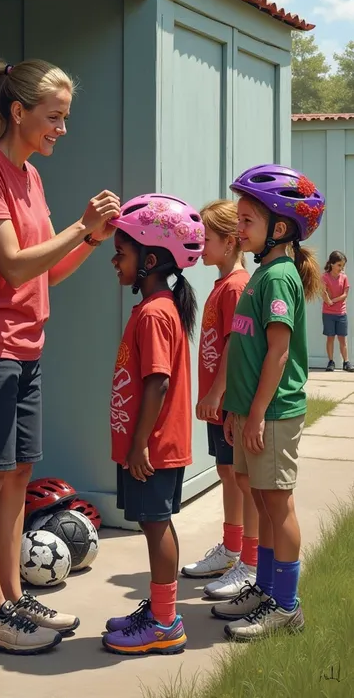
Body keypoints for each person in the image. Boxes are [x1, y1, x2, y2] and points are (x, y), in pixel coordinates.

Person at [0, 59, 120, 655]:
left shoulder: (30, 177)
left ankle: (11, 600)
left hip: (24, 346)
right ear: (18, 112)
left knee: (15, 477)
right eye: (54, 117)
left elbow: (45, 272)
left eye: (66, 118)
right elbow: (13, 262)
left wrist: (91, 238)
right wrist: (79, 225)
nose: (62, 129)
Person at [218, 165, 325, 642]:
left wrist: (257, 413)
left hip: (275, 413)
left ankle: (287, 606)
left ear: (278, 229)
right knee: (257, 495)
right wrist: (237, 410)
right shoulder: (261, 273)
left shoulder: (278, 277)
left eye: (246, 221)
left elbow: (278, 353)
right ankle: (265, 588)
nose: (237, 229)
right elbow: (248, 350)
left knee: (277, 504)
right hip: (252, 413)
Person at [101, 194, 204, 656]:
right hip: (149, 446)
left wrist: (140, 443)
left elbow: (157, 383)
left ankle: (164, 623)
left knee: (155, 524)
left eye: (121, 253)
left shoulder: (154, 312)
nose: (114, 261)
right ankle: (161, 611)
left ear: (152, 259)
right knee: (151, 523)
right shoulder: (155, 308)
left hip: (154, 447)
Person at [181, 200, 259, 602]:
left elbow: (234, 342)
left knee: (242, 481)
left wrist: (217, 392)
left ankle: (249, 559)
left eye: (206, 239)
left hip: (230, 401)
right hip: (221, 402)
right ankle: (231, 549)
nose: (200, 245)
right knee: (227, 475)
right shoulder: (220, 284)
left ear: (230, 243)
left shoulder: (236, 286)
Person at [322, 250, 354, 372]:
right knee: (330, 338)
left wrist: (332, 300)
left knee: (342, 339)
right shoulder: (324, 277)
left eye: (343, 265)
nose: (341, 268)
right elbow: (323, 292)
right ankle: (331, 362)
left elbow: (345, 294)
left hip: (341, 313)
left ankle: (346, 362)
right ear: (331, 264)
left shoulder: (344, 277)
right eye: (339, 265)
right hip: (328, 314)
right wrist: (327, 299)